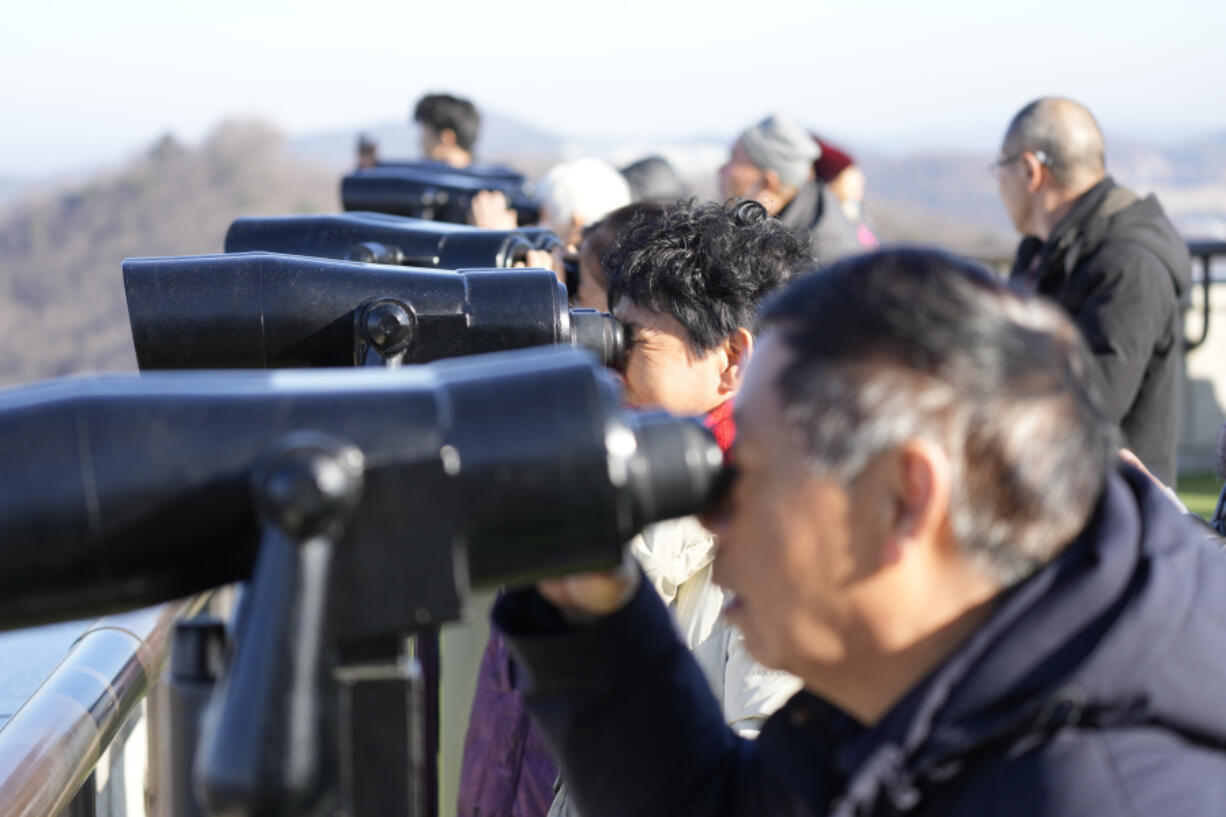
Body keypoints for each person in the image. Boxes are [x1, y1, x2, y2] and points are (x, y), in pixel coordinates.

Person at [494, 248, 1226, 816]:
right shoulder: (926, 684)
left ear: (906, 498)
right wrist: (599, 610)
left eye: (751, 472)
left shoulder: (1093, 794)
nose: (716, 513)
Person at [457, 200, 808, 817]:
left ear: (731, 359)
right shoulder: (624, 487)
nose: (608, 362)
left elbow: (766, 783)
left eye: (633, 341)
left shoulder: (780, 540)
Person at [996, 97, 1191, 484]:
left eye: (1000, 167)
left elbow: (1089, 411)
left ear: (1029, 171)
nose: (997, 182)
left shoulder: (1129, 263)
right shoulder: (1043, 249)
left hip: (1116, 523)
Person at [719, 114, 860, 265]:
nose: (722, 169)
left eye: (734, 158)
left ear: (768, 182)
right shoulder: (806, 211)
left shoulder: (821, 260)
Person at [413, 92, 480, 169]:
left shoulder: (426, 178)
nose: (419, 141)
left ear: (446, 137)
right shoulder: (489, 177)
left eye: (424, 132)